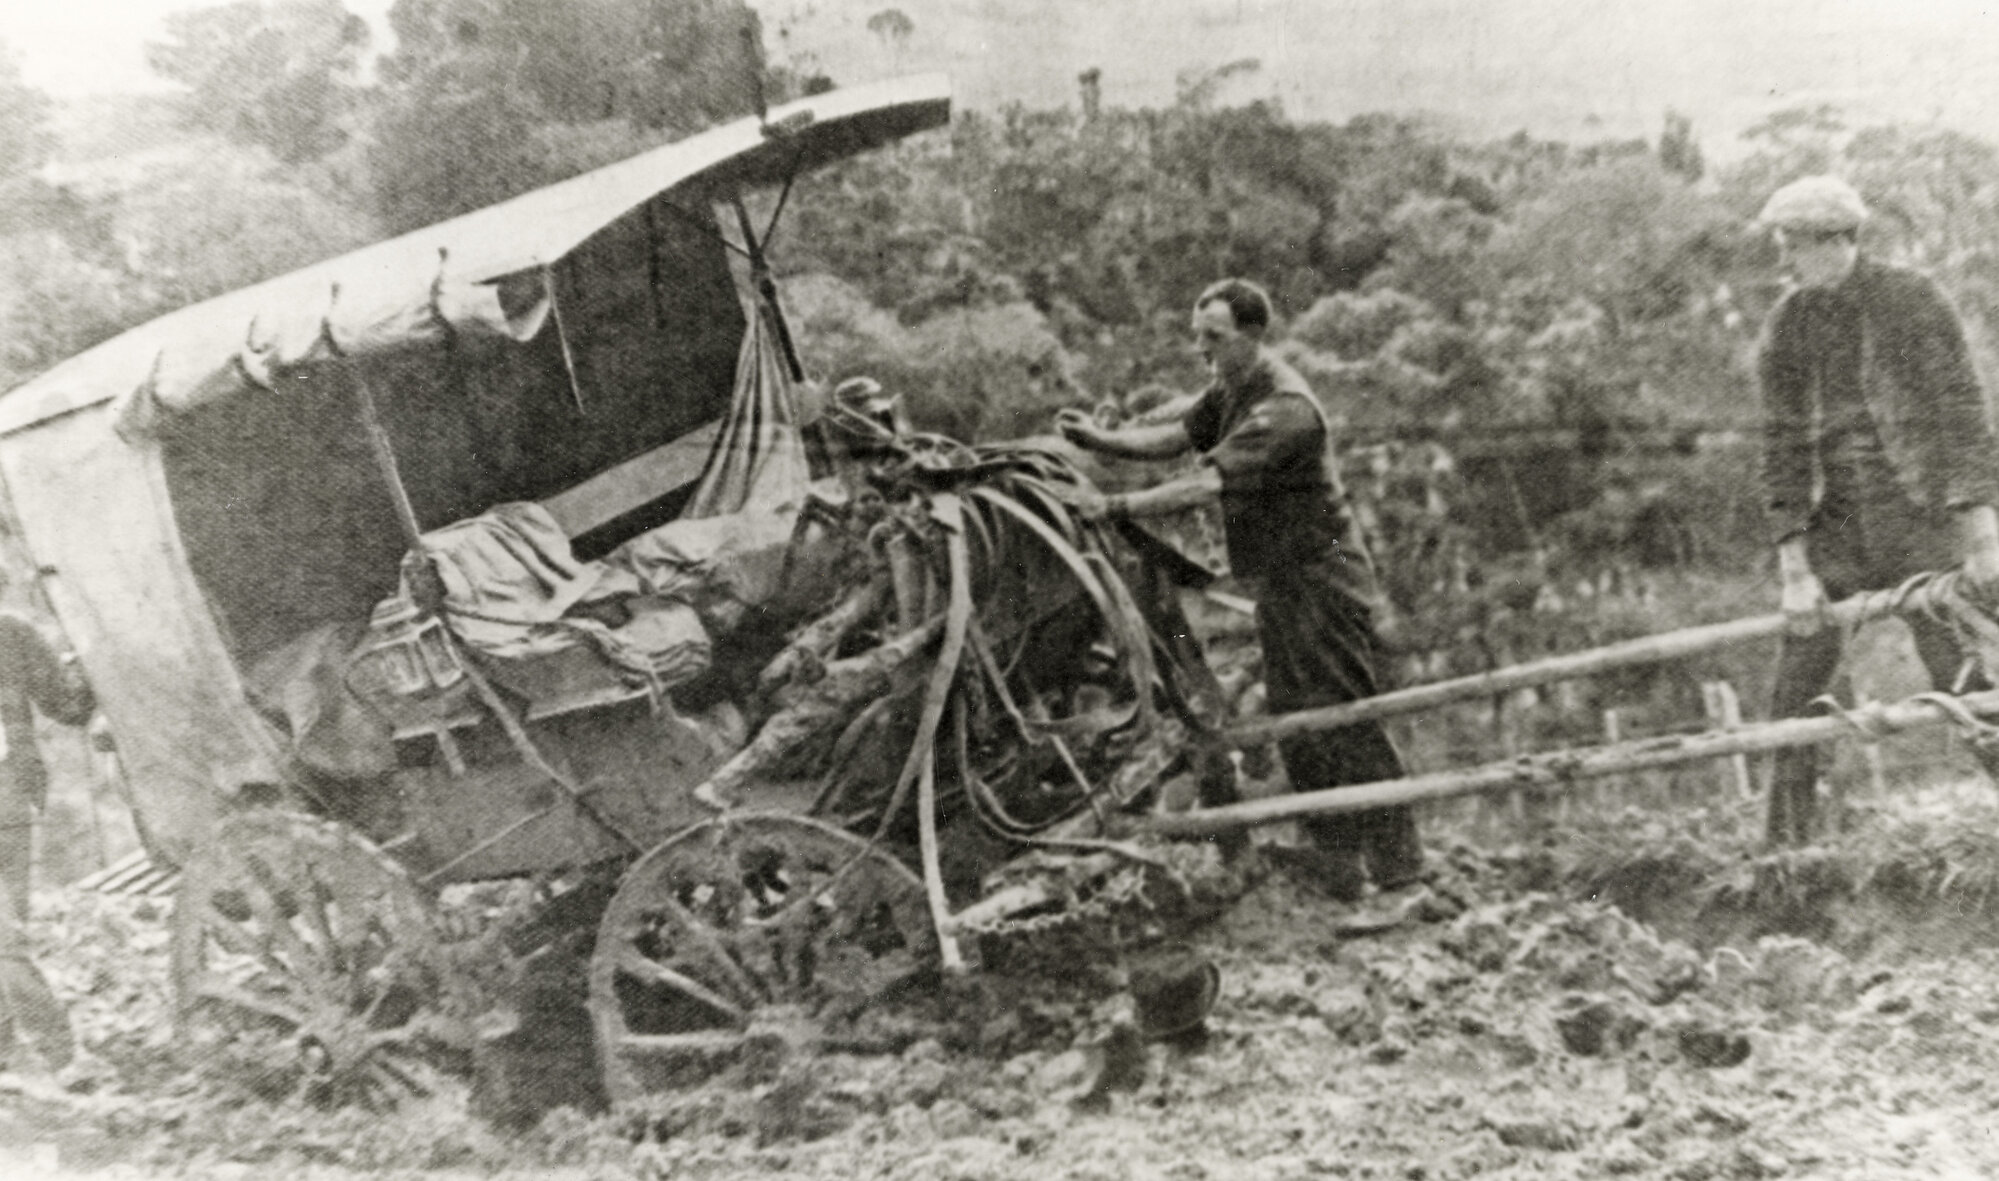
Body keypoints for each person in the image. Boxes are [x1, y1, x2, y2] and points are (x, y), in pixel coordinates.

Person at [1056, 278, 1423, 900]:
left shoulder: (1285, 412)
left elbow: (1203, 484)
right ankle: (1338, 856)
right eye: (1198, 337)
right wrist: (1101, 440)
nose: (1203, 350)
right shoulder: (1233, 388)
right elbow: (1175, 437)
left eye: (1215, 338)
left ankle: (1401, 872)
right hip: (1282, 581)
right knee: (1295, 718)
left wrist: (1113, 506)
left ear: (1253, 337)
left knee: (1344, 717)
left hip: (1325, 583)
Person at [1756, 175, 1999, 846]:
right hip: (1839, 526)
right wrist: (1795, 569)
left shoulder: (1911, 300)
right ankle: (1784, 852)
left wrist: (1981, 535)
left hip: (1918, 518)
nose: (1785, 262)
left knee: (1965, 673)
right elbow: (1778, 447)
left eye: (1796, 246)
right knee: (1795, 685)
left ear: (1838, 242)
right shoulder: (1787, 324)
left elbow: (1962, 413)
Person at [0, 602, 95, 1070]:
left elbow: (68, 704)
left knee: (8, 930)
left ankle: (16, 1052)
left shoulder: (11, 631)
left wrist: (93, 659)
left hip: (8, 797)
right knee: (5, 940)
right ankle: (52, 1056)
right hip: (10, 794)